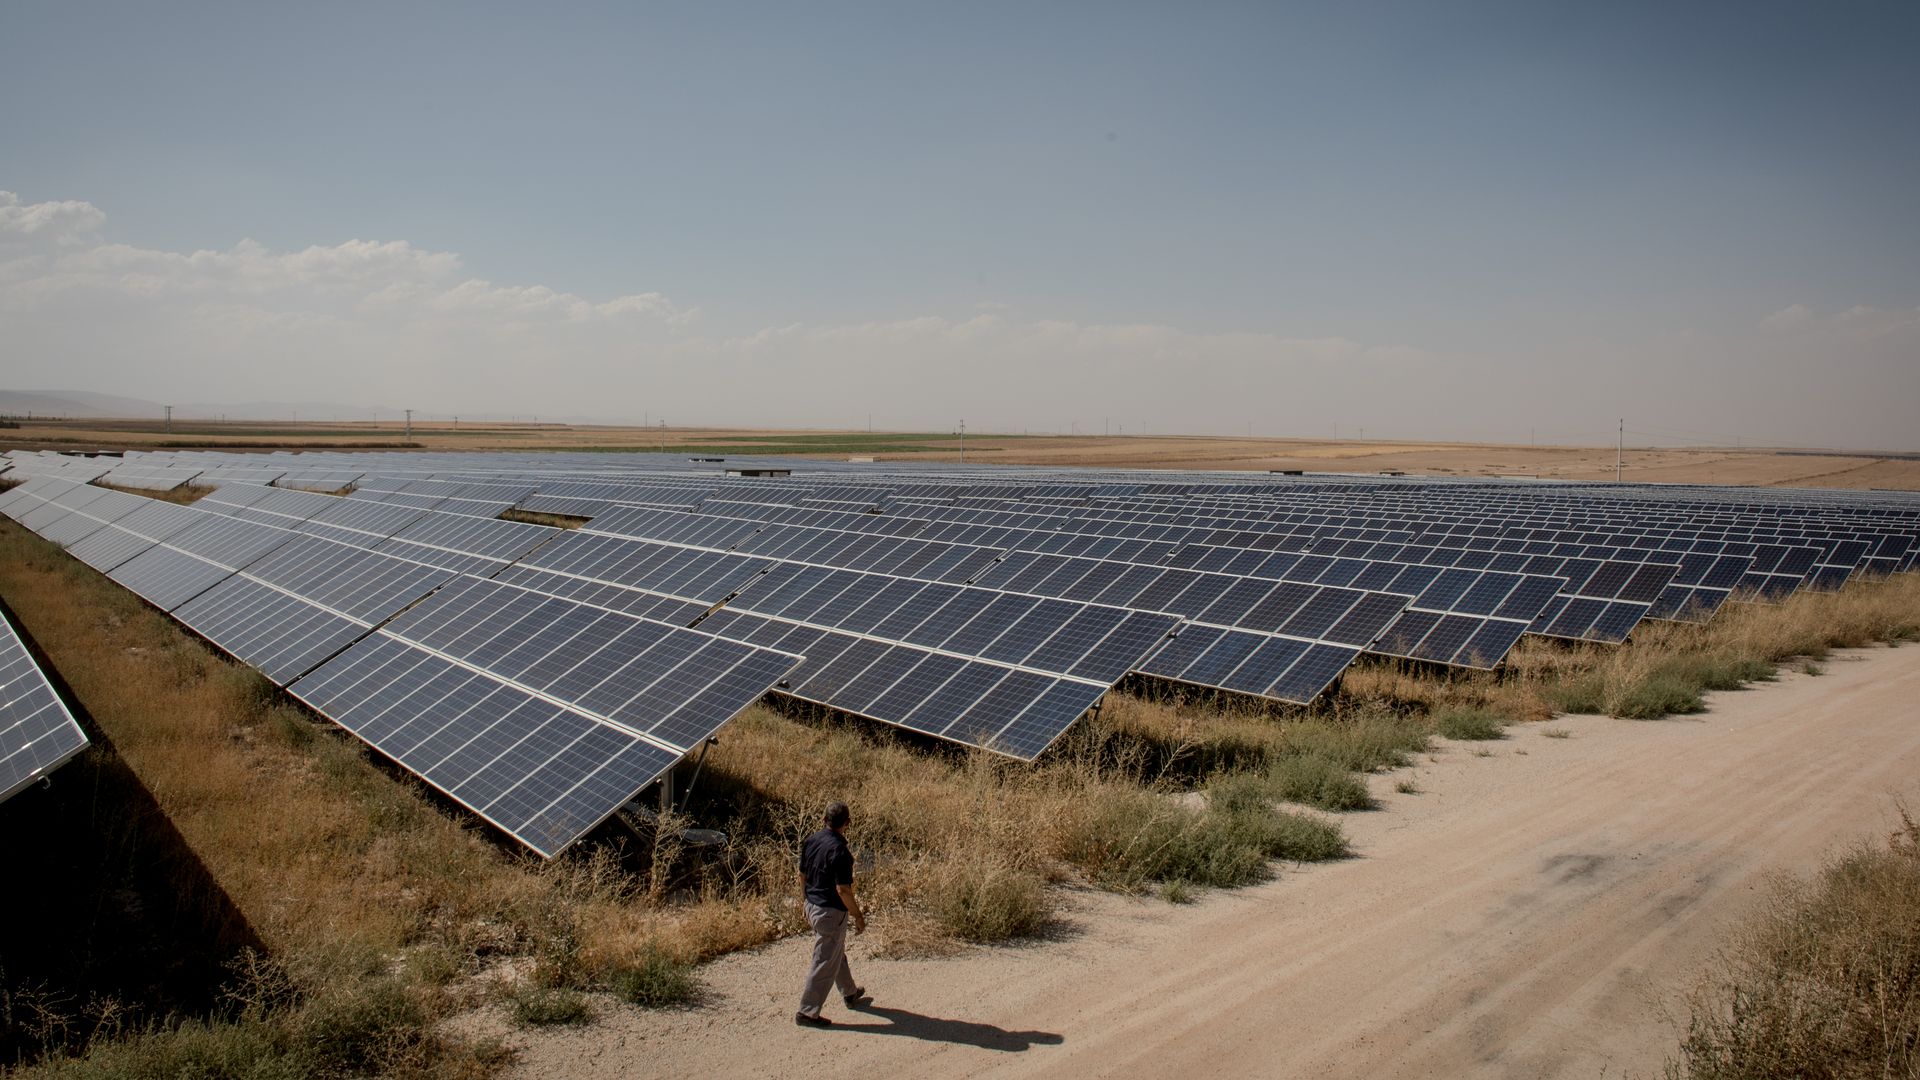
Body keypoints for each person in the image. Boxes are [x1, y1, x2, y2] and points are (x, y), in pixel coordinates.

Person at [795, 801, 868, 1027]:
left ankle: (849, 992)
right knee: (824, 960)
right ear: (847, 823)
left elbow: (802, 875)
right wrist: (857, 915)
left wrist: (805, 901)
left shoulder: (811, 841)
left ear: (824, 819)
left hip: (812, 905)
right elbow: (843, 890)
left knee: (835, 950)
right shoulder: (840, 852)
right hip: (830, 912)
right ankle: (807, 1012)